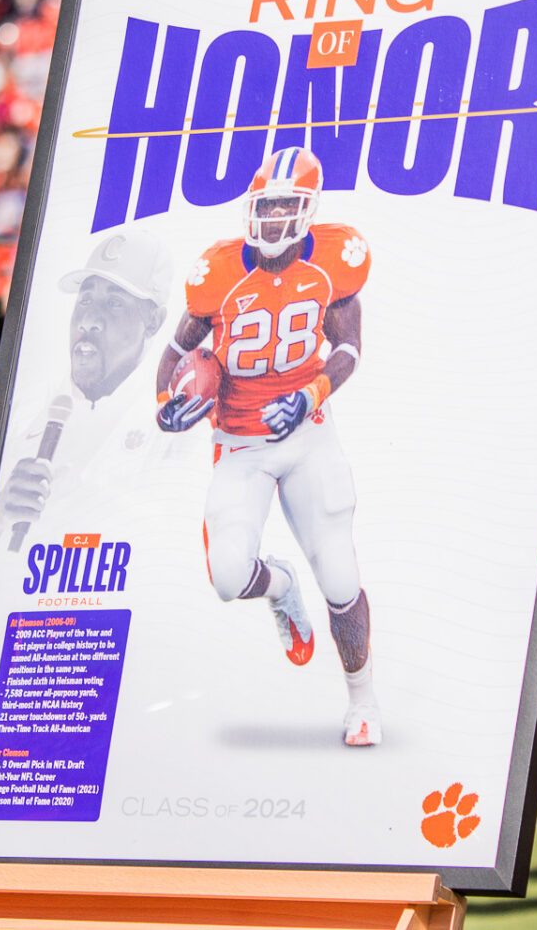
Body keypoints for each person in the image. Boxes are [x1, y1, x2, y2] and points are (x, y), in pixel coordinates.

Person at [154, 147, 380, 747]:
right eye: (268, 203)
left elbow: (349, 348)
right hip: (239, 442)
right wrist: (165, 405)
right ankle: (280, 586)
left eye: (286, 204)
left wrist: (311, 394)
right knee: (228, 577)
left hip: (308, 436)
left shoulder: (333, 261)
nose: (275, 215)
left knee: (341, 576)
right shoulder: (220, 270)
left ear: (307, 209)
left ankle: (363, 702)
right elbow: (177, 352)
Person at [0, 229, 174, 552]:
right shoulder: (22, 410)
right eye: (85, 300)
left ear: (154, 321)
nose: (88, 320)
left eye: (114, 303)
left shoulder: (172, 429)